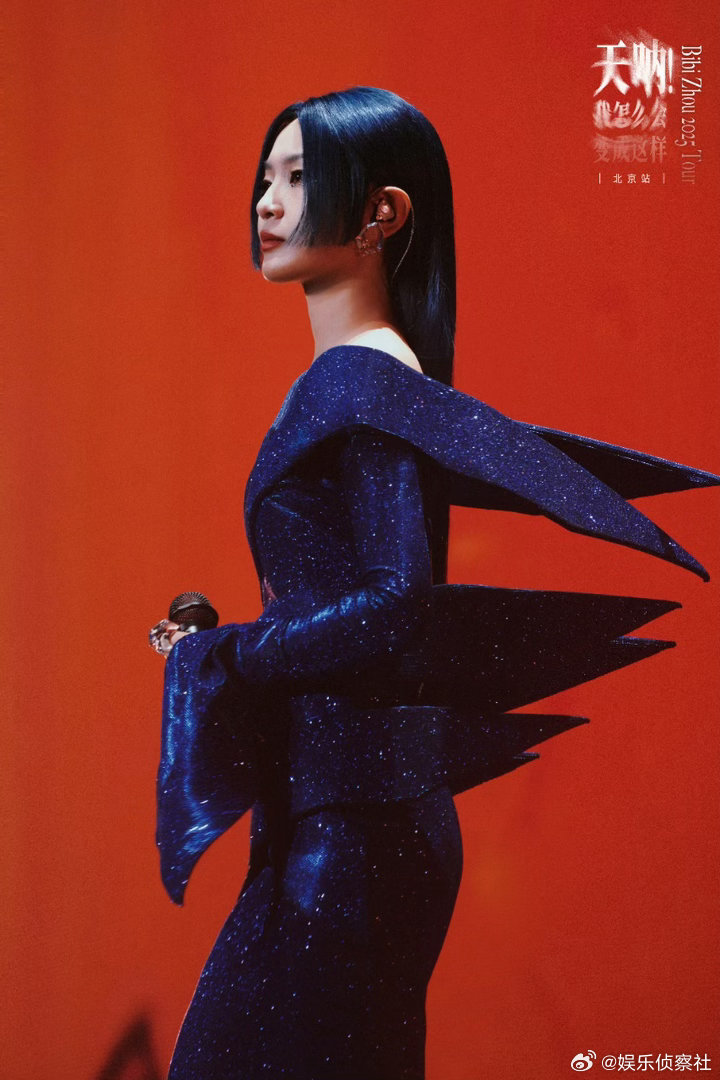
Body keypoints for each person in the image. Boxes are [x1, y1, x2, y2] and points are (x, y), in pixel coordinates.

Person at [151, 88, 717, 1080]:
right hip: (342, 815)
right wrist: (232, 645)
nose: (267, 202)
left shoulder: (362, 381)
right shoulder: (359, 381)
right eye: (266, 176)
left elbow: (397, 599)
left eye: (299, 177)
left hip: (351, 833)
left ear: (382, 214)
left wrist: (230, 653)